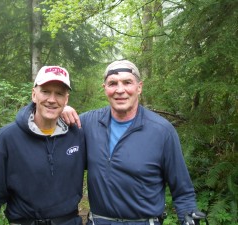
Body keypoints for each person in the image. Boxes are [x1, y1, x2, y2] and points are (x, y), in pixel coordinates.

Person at [61, 60, 202, 225]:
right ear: (105, 88)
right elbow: (45, 137)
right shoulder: (86, 124)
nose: (120, 90)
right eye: (113, 83)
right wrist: (60, 111)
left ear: (139, 87)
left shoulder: (162, 131)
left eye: (127, 82)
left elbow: (182, 190)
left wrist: (189, 219)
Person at [0, 66, 86, 225]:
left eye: (59, 94)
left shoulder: (77, 135)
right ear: (34, 94)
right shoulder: (8, 137)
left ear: (66, 99)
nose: (52, 99)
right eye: (46, 91)